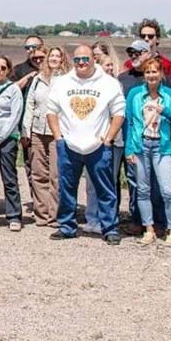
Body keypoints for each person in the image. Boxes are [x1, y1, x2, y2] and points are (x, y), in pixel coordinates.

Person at [48, 44, 124, 243]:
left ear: (93, 60)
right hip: (68, 144)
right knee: (66, 188)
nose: (81, 63)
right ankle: (66, 226)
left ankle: (110, 228)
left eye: (85, 59)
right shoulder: (62, 82)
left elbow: (119, 113)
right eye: (77, 60)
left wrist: (108, 138)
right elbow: (51, 111)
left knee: (105, 189)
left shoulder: (108, 83)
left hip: (98, 146)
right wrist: (58, 137)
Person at [124, 58, 171, 244]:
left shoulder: (169, 95)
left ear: (161, 75)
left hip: (162, 146)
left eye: (154, 72)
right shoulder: (135, 94)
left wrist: (165, 111)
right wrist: (129, 149)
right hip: (140, 145)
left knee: (167, 190)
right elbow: (130, 122)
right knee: (142, 189)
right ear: (144, 75)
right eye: (147, 72)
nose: (151, 75)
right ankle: (148, 229)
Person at [20, 45, 60, 234]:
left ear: (62, 59)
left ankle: (55, 214)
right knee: (38, 173)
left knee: (56, 174)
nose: (53, 58)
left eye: (56, 56)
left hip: (57, 132)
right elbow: (30, 105)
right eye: (51, 56)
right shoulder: (37, 80)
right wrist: (25, 130)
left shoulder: (66, 80)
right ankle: (41, 213)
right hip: (36, 131)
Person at [0, 56, 25, 227]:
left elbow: (15, 116)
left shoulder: (13, 89)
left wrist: (0, 137)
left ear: (9, 70)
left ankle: (14, 215)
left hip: (7, 138)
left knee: (9, 177)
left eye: (3, 68)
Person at [94, 43, 129, 222]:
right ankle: (98, 216)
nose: (107, 68)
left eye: (109, 65)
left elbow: (119, 113)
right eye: (103, 65)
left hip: (115, 139)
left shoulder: (117, 85)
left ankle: (110, 216)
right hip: (96, 138)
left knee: (111, 179)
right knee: (98, 180)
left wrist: (111, 135)